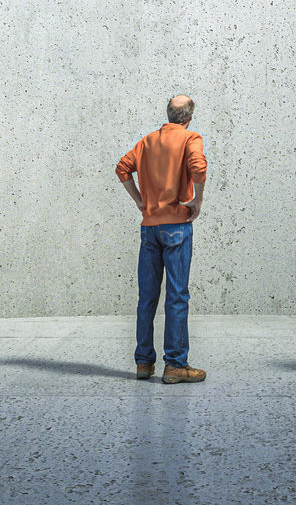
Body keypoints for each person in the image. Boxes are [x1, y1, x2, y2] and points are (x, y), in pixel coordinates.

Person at [116, 94, 208, 384]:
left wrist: (140, 201)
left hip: (150, 228)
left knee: (147, 298)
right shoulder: (191, 138)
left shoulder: (147, 141)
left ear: (169, 114)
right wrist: (197, 201)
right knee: (177, 296)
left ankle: (144, 364)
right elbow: (199, 169)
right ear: (189, 118)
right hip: (177, 227)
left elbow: (122, 168)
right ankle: (175, 365)